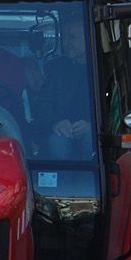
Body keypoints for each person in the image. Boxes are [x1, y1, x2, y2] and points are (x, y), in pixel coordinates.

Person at [35, 19, 93, 160]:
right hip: (60, 130)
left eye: (72, 37)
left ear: (88, 38)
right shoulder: (55, 68)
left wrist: (91, 125)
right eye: (64, 37)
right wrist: (56, 123)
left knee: (92, 141)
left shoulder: (105, 68)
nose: (66, 43)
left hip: (93, 131)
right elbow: (43, 103)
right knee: (58, 142)